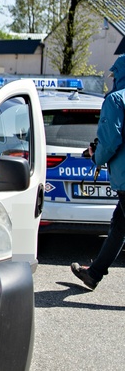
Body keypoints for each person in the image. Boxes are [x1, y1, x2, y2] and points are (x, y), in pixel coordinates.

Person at [72, 55, 125, 290]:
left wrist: (96, 156)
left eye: (114, 74)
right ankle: (93, 274)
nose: (112, 79)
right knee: (119, 226)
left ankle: (94, 273)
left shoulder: (115, 100)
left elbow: (111, 140)